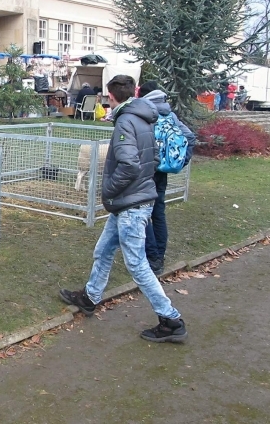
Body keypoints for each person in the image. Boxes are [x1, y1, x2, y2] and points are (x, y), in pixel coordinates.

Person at [59, 74, 188, 344]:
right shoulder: (142, 119)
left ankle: (171, 319)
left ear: (111, 96)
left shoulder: (126, 122)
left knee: (138, 265)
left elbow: (129, 165)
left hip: (130, 204)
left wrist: (109, 190)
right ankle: (90, 297)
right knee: (103, 250)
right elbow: (150, 159)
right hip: (131, 202)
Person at [137, 81, 196, 276]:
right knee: (158, 212)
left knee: (143, 213)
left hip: (147, 170)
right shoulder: (170, 115)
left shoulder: (147, 115)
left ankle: (153, 257)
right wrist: (179, 161)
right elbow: (190, 137)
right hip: (161, 171)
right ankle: (159, 255)